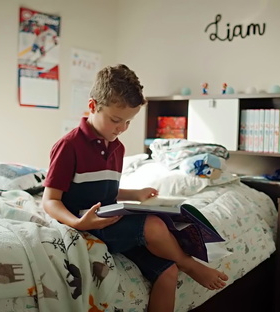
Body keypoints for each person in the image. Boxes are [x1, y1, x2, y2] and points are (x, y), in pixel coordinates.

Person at [42, 64, 228, 312]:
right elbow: (50, 200)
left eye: (128, 122)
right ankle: (188, 264)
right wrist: (78, 223)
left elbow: (105, 192)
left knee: (167, 272)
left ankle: (178, 264)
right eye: (115, 120)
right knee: (153, 225)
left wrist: (135, 194)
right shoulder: (69, 145)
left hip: (110, 222)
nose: (121, 129)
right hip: (85, 224)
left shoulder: (117, 148)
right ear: (92, 106)